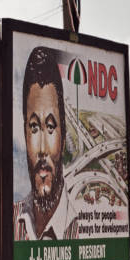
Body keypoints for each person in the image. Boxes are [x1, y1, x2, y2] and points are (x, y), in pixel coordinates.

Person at [13, 46, 78, 240]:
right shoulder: (8, 223)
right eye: (34, 127)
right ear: (25, 135)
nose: (42, 149)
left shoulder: (81, 230)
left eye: (50, 127)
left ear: (63, 136)